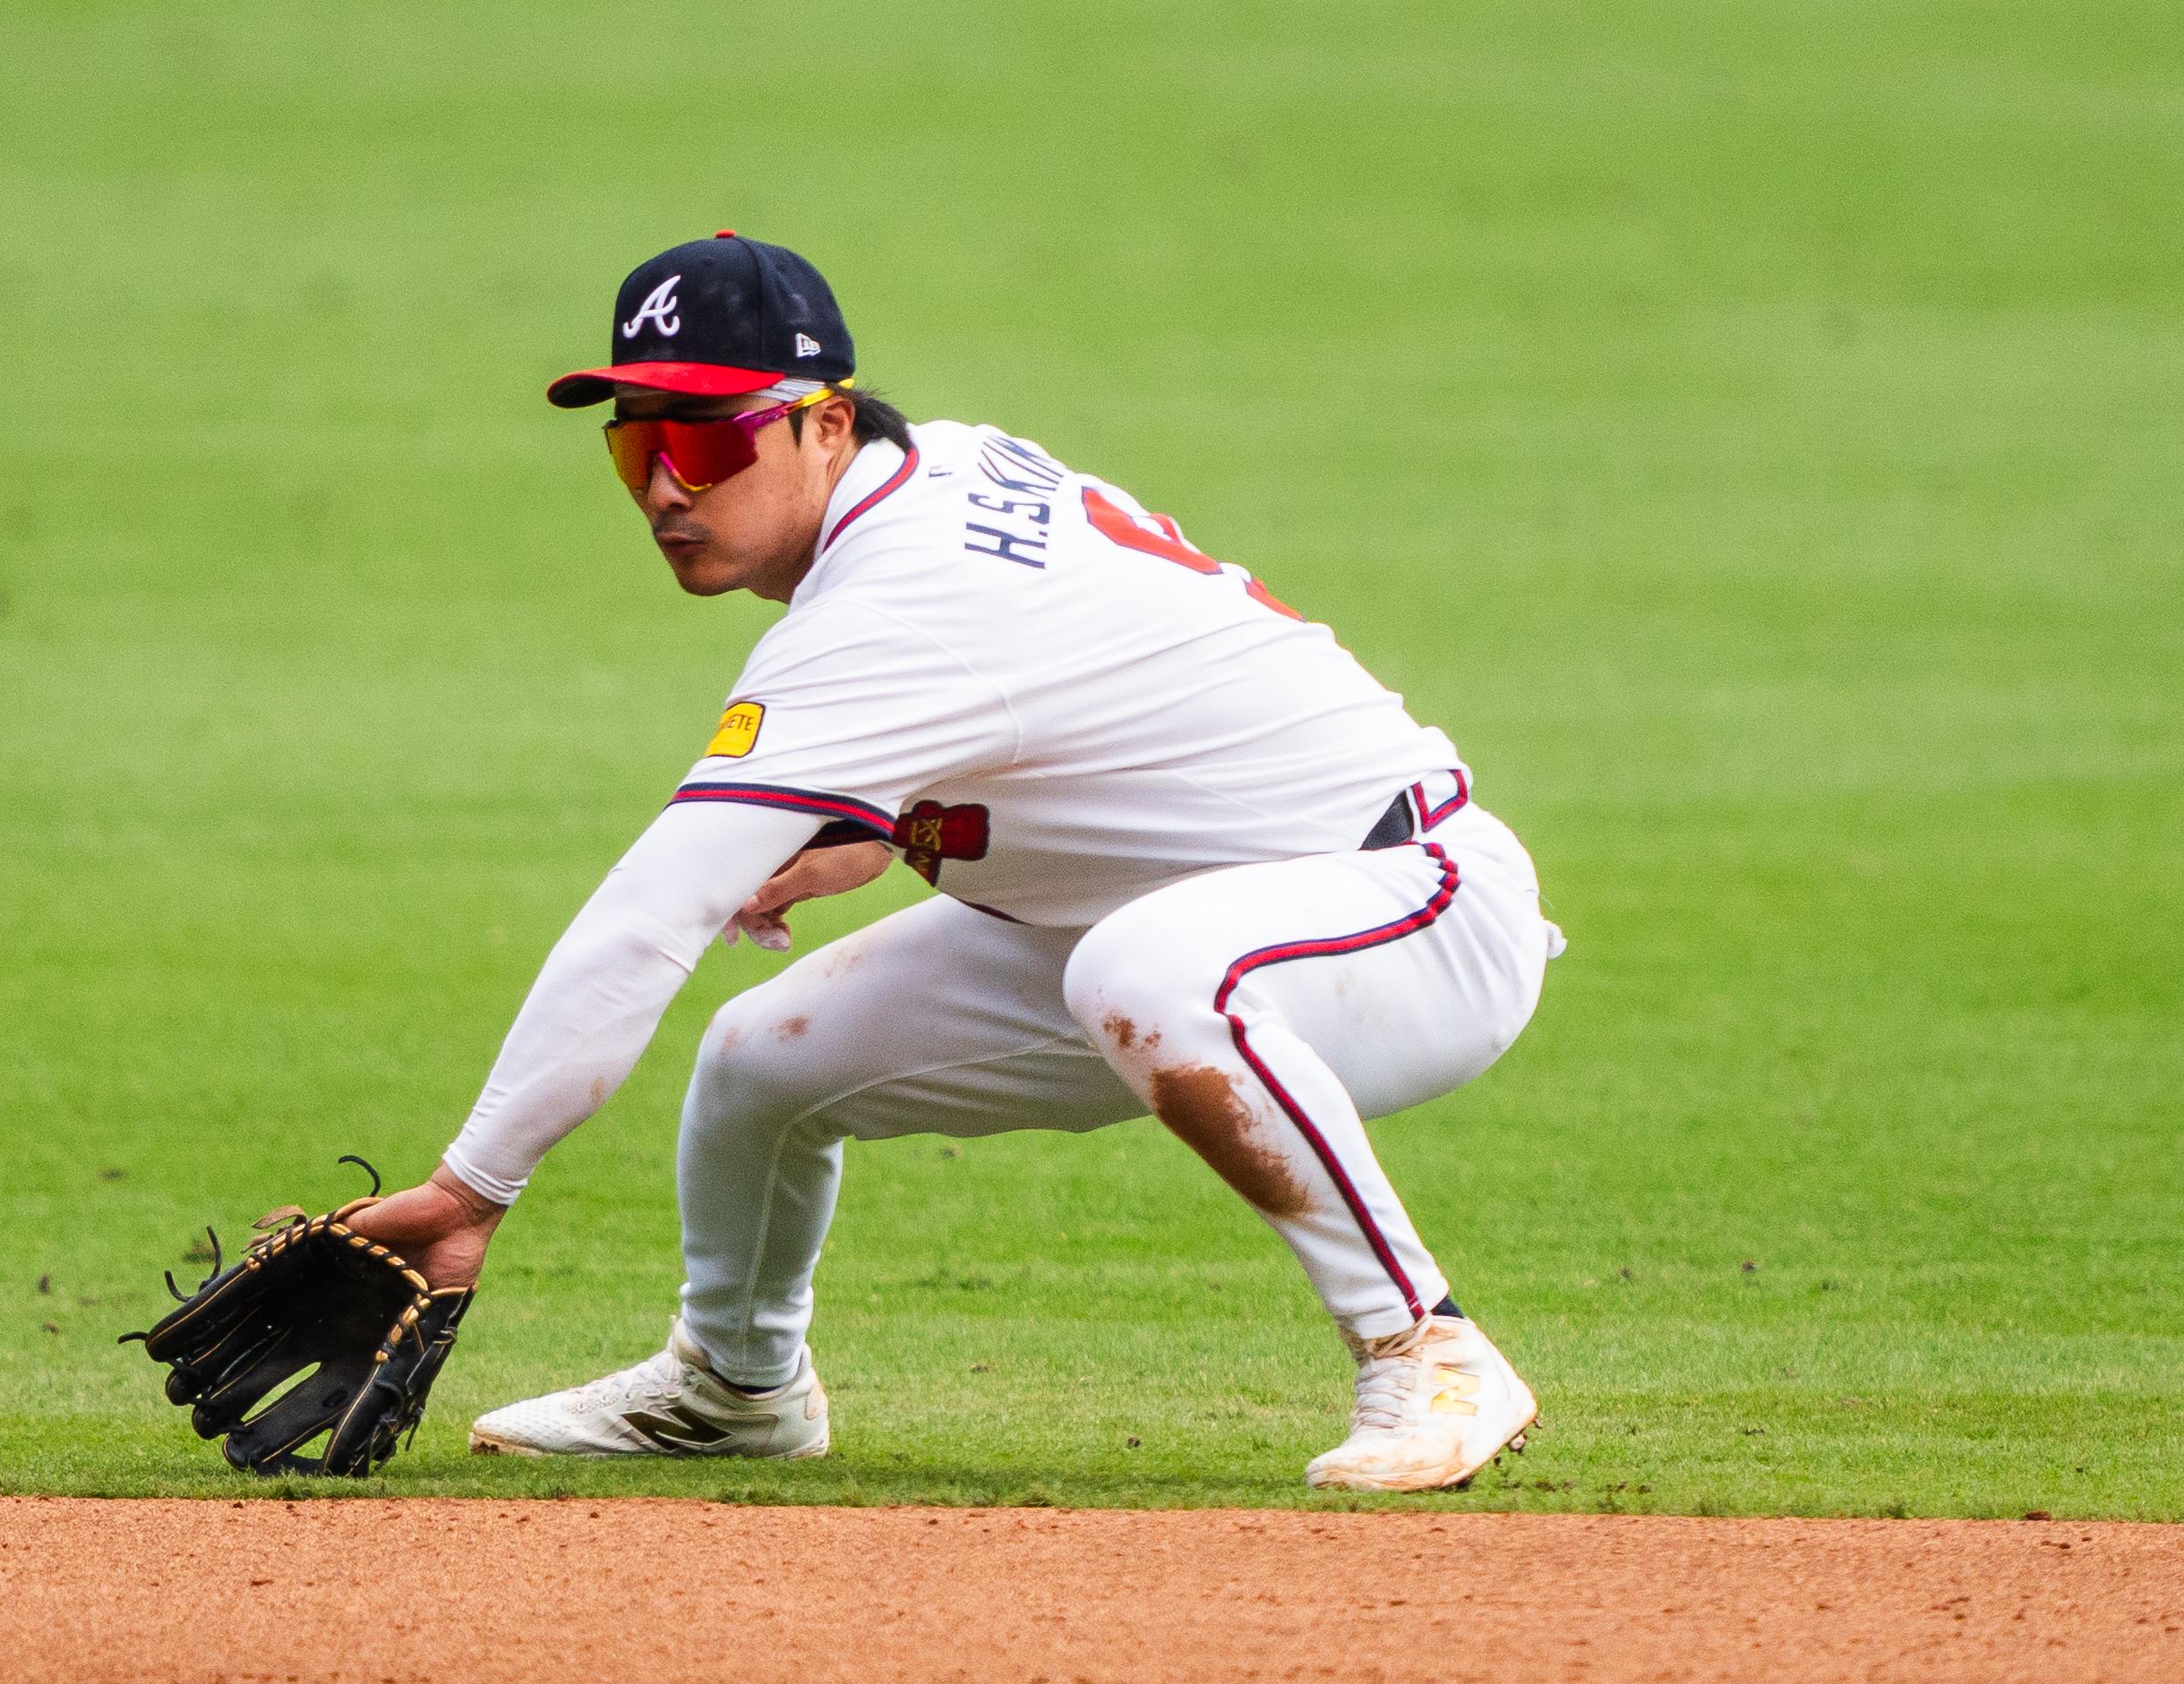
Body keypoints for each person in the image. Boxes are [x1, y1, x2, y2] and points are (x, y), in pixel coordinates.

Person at [345, 231, 1562, 1491]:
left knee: (1145, 974)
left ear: (825, 426)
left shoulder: (898, 598)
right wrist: (875, 820)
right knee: (764, 1061)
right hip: (1171, 914)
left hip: (1414, 908)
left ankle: (1427, 1347)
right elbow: (1084, 696)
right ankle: (735, 1383)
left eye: (705, 442)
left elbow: (653, 914)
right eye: (633, 446)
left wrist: (471, 1187)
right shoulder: (936, 469)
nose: (663, 487)